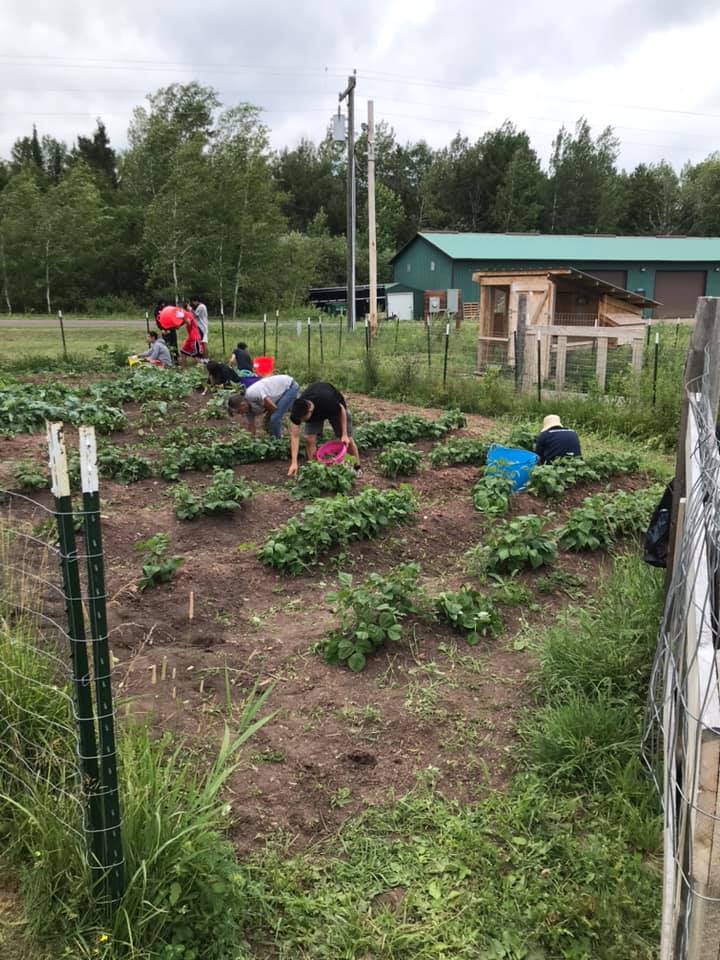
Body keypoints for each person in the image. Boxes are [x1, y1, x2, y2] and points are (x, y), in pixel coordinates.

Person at [288, 382, 361, 477]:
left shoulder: (326, 401)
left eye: (304, 419)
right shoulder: (298, 411)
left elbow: (341, 409)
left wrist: (344, 434)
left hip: (336, 411)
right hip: (314, 412)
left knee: (348, 441)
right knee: (309, 439)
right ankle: (315, 470)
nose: (302, 422)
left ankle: (357, 468)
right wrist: (294, 462)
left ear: (310, 410)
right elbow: (295, 436)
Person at [228, 374, 299, 438]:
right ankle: (275, 436)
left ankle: (278, 441)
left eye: (239, 412)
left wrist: (267, 417)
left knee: (275, 418)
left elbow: (272, 407)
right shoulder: (248, 411)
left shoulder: (252, 393)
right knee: (270, 420)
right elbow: (252, 426)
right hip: (277, 393)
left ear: (243, 405)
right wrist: (250, 441)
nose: (241, 414)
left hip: (289, 386)